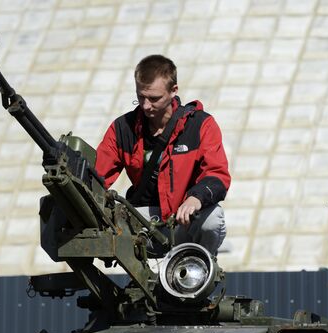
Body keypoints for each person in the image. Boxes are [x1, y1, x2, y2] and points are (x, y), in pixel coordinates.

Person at [95, 54, 231, 256]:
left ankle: (194, 273)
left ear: (173, 90)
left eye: (154, 98)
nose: (146, 106)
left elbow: (217, 174)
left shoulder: (201, 125)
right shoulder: (123, 129)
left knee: (212, 220)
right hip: (141, 221)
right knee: (98, 223)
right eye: (141, 97)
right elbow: (97, 176)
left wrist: (196, 198)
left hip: (184, 220)